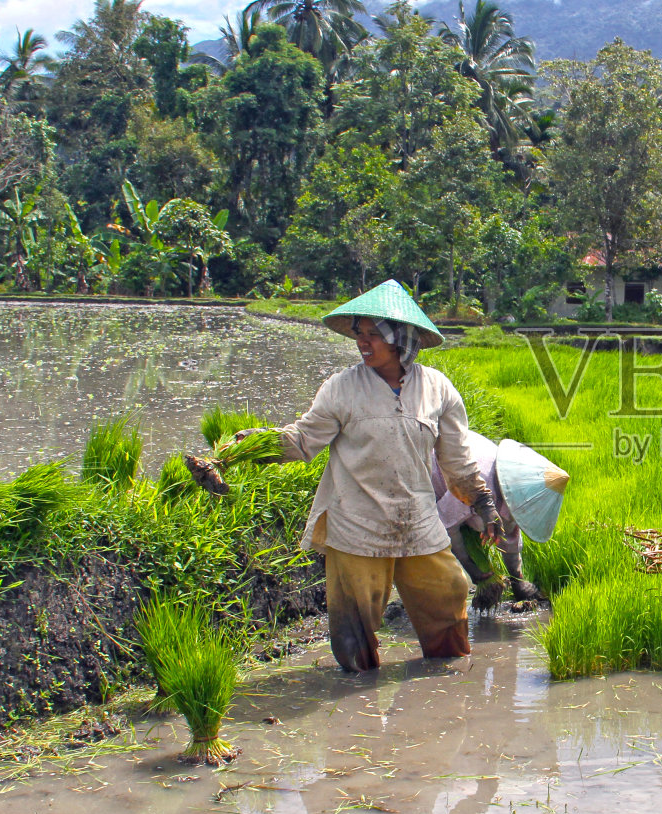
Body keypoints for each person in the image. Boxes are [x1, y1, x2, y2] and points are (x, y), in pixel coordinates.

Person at [242, 280, 502, 672]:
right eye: (358, 334)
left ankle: (446, 680)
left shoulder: (436, 389)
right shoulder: (342, 388)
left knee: (450, 592)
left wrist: (485, 504)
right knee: (353, 624)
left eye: (373, 335)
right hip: (357, 524)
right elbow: (303, 440)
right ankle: (356, 692)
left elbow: (458, 461)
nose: (363, 342)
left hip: (417, 520)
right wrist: (252, 446)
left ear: (401, 338)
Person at [431, 431, 570, 610]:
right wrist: (471, 567)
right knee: (430, 549)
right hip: (426, 475)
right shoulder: (476, 481)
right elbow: (447, 524)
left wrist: (518, 579)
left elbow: (509, 532)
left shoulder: (510, 491)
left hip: (459, 491)